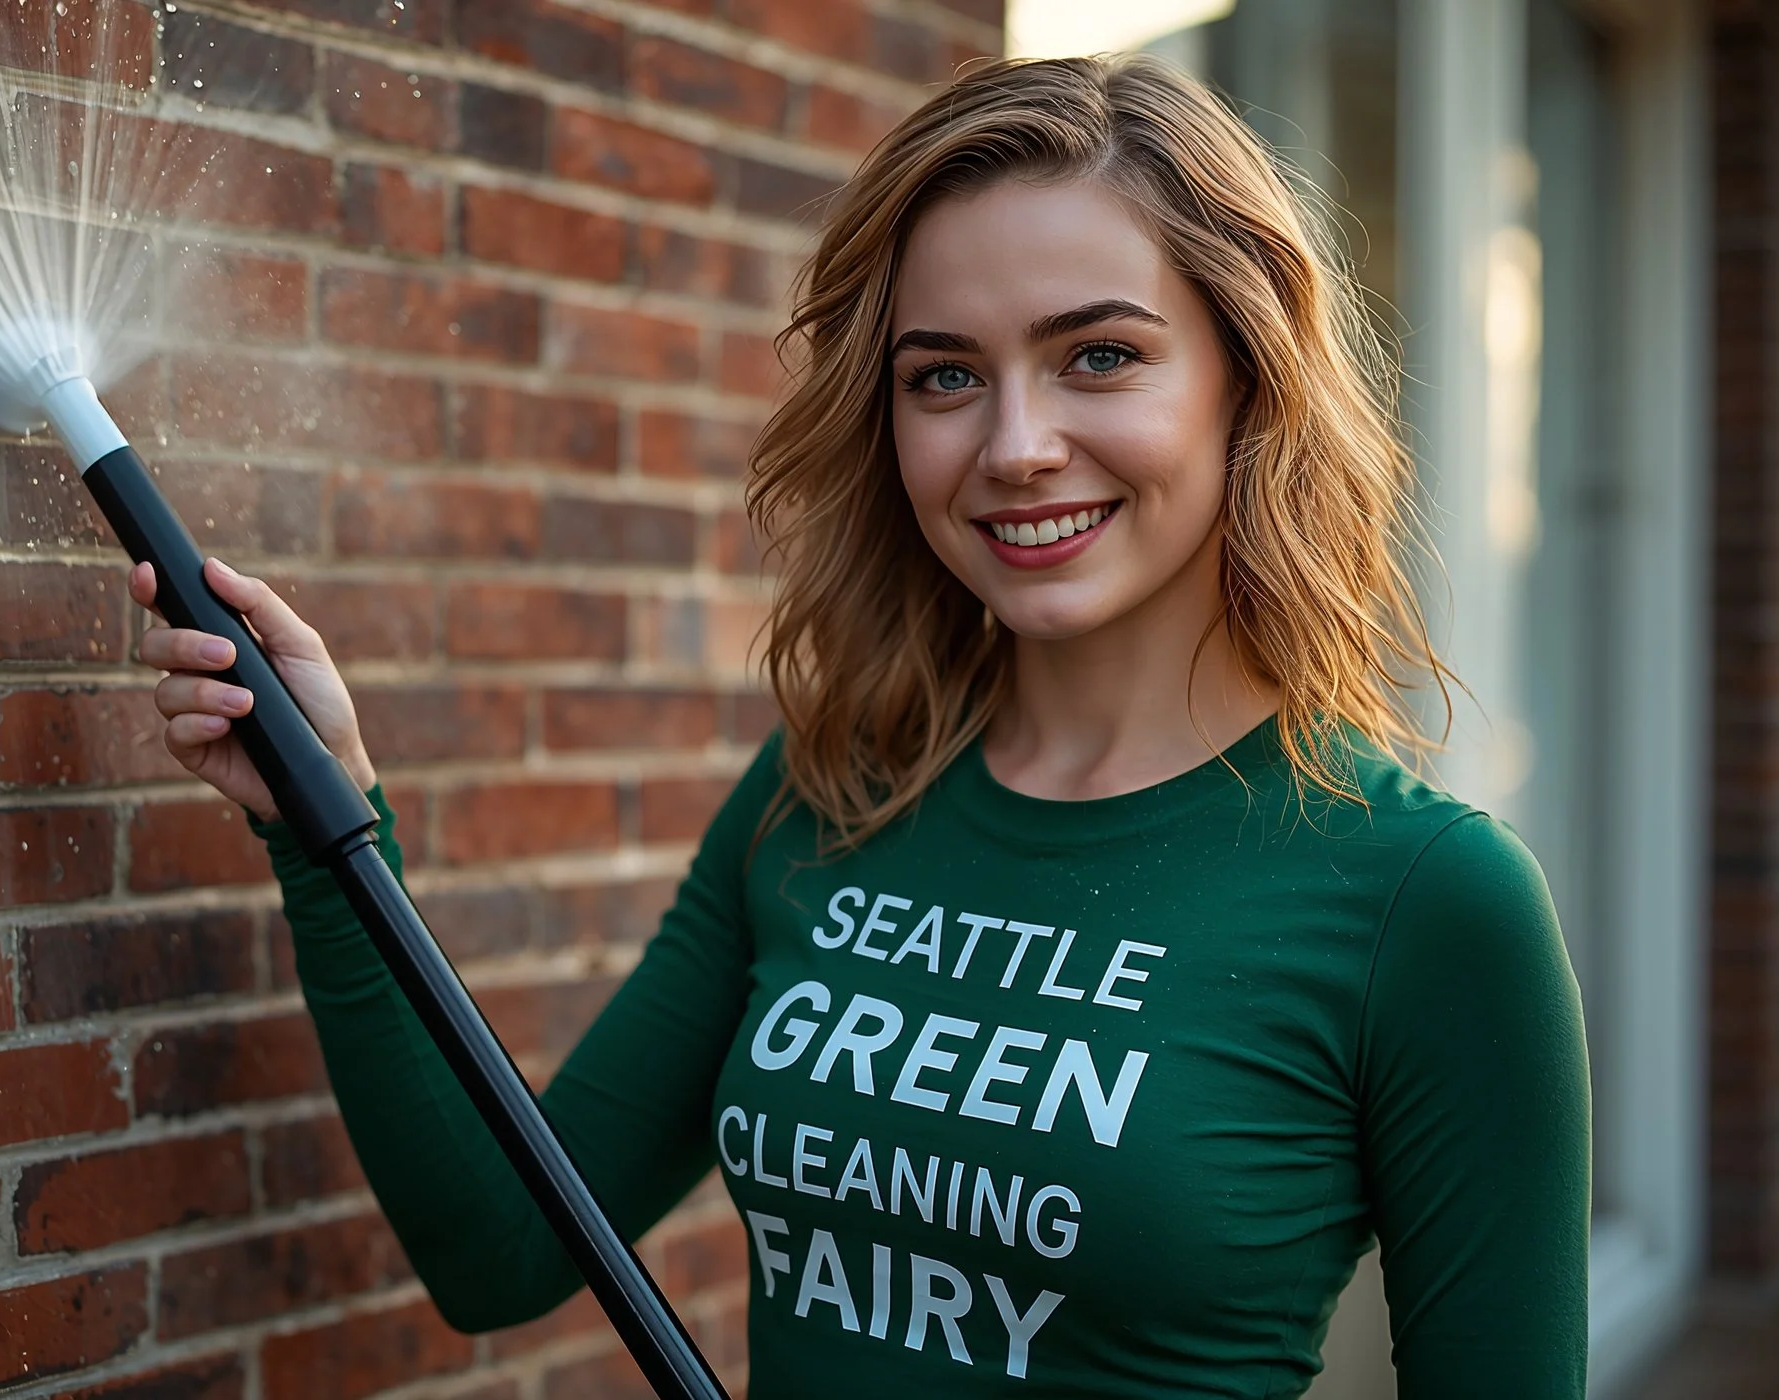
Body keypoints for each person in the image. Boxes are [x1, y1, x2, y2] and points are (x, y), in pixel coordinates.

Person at [128, 54, 1588, 1399]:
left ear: (1246, 381)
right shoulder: (824, 794)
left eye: (1100, 357)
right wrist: (324, 829)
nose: (1015, 446)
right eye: (944, 375)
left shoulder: (1427, 901)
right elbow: (504, 1245)